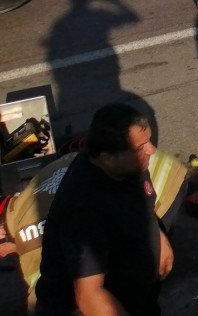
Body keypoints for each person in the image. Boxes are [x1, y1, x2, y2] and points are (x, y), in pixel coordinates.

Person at [1, 146, 187, 311]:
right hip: (153, 168)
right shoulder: (21, 202)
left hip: (160, 186)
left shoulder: (32, 252)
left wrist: (151, 228)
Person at [31, 103, 175, 316]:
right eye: (140, 147)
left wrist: (158, 236)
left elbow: (143, 202)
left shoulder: (129, 164)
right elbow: (90, 296)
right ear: (107, 157)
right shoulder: (84, 208)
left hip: (134, 296)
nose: (151, 150)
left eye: (149, 141)